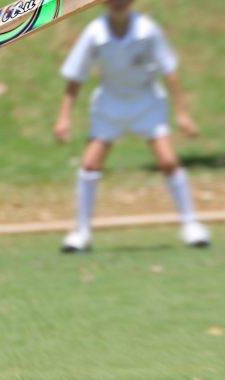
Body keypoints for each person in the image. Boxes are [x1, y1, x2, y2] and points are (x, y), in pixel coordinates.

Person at [53, 0, 210, 252]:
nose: (118, 3)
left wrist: (182, 114)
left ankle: (191, 225)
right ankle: (81, 232)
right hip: (110, 103)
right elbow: (76, 76)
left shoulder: (148, 30)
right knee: (90, 165)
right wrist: (64, 117)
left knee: (169, 161)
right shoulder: (94, 33)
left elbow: (170, 72)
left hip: (146, 101)